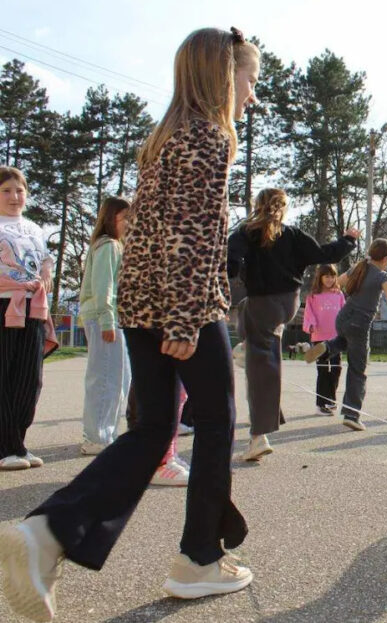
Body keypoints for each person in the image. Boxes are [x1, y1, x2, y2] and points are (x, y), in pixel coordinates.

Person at [0, 29, 260, 620]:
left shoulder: (164, 136)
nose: (252, 96)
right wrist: (186, 320)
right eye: (249, 81)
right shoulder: (210, 136)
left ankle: (45, 534)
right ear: (225, 76)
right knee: (217, 420)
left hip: (143, 303)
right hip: (183, 304)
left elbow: (146, 232)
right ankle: (199, 559)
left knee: (152, 429)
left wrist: (148, 308)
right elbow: (193, 235)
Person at [228, 188, 357, 460]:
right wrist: (347, 240)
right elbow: (325, 254)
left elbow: (230, 261)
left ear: (258, 205)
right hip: (288, 304)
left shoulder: (247, 232)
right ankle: (247, 347)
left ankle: (258, 436)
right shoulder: (293, 234)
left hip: (263, 303)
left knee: (260, 369)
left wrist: (229, 271)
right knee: (255, 329)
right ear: (283, 208)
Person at [304, 239, 387, 431]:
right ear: (386, 258)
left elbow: (338, 282)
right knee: (358, 369)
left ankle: (328, 347)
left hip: (342, 318)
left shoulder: (359, 267)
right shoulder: (382, 275)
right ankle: (352, 414)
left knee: (344, 340)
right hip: (359, 324)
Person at [0, 166, 57, 471]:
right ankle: (5, 447)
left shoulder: (34, 228)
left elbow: (44, 258)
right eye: (6, 191)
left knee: (29, 377)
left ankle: (17, 443)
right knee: (3, 375)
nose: (14, 196)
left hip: (33, 307)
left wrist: (47, 269)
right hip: (3, 304)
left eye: (19, 190)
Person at [78, 197, 132, 456]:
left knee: (121, 378)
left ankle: (106, 432)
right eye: (126, 218)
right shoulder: (108, 245)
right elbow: (103, 286)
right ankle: (96, 436)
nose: (130, 223)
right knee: (105, 377)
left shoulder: (117, 246)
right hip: (104, 318)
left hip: (114, 318)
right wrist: (107, 320)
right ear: (111, 218)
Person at [303, 264, 346, 416]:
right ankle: (321, 405)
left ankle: (330, 400)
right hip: (319, 339)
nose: (330, 279)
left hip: (336, 338)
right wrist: (311, 324)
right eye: (326, 276)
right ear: (320, 278)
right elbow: (308, 314)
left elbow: (344, 312)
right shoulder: (313, 296)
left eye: (332, 276)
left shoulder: (339, 294)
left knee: (336, 368)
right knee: (322, 370)